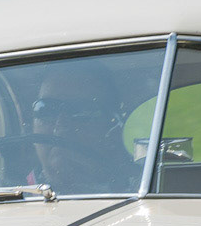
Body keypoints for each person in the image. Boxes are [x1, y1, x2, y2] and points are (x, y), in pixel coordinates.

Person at [24, 63, 139, 195]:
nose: (61, 126)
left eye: (83, 111)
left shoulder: (138, 192)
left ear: (112, 130)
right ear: (32, 126)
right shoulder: (2, 193)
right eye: (46, 109)